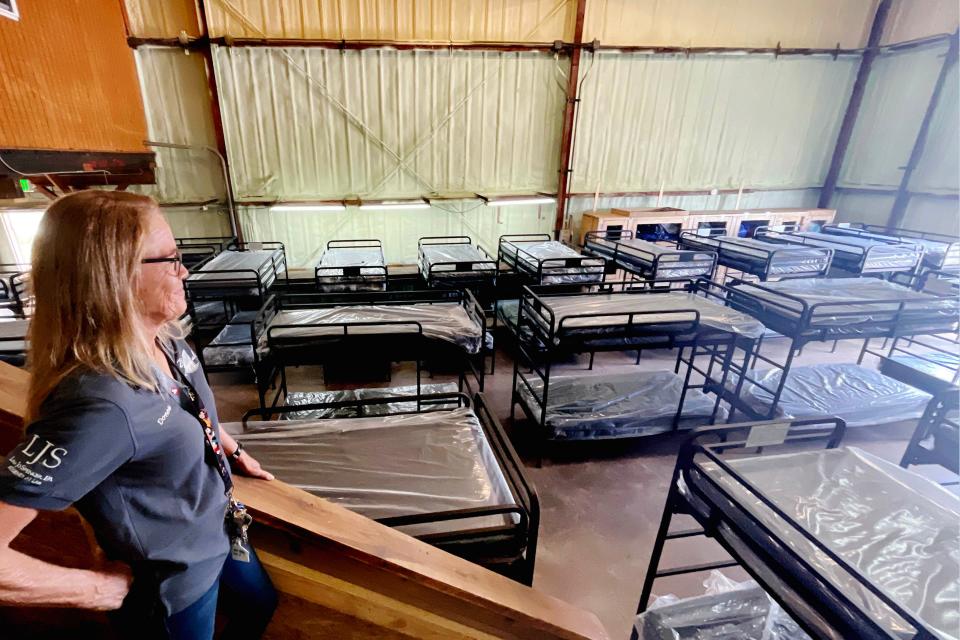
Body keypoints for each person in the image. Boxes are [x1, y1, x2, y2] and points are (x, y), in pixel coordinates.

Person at [0, 191, 277, 639]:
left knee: (260, 606)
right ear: (113, 275)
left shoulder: (166, 342)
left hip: (220, 529)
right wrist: (92, 590)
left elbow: (192, 404)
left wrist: (231, 447)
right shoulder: (99, 404)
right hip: (173, 585)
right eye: (169, 258)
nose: (183, 271)